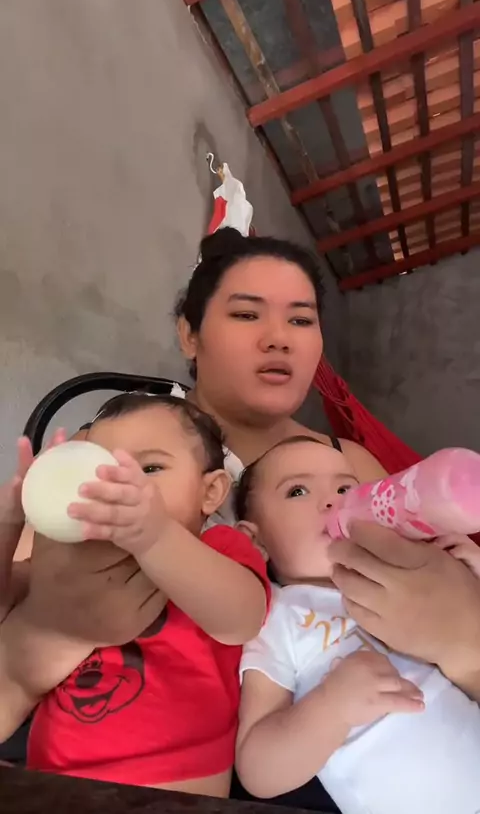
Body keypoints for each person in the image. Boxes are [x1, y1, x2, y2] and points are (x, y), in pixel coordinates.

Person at [3, 228, 480, 808]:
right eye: (247, 314)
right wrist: (45, 630)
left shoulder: (348, 462)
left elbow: (433, 592)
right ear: (189, 334)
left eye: (301, 320)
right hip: (108, 752)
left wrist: (463, 624)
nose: (278, 338)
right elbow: (23, 600)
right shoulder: (110, 452)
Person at [1, 393, 269, 795]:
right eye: (100, 471)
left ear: (210, 492)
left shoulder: (218, 549)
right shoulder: (71, 562)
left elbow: (241, 620)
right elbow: (7, 601)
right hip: (54, 777)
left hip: (176, 788)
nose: (119, 487)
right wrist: (10, 522)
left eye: (150, 468)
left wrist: (155, 537)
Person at [234, 435, 480, 814]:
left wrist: (471, 573)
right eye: (297, 491)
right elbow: (258, 772)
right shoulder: (277, 616)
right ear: (256, 541)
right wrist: (332, 708)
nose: (333, 502)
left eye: (345, 488)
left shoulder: (410, 570)